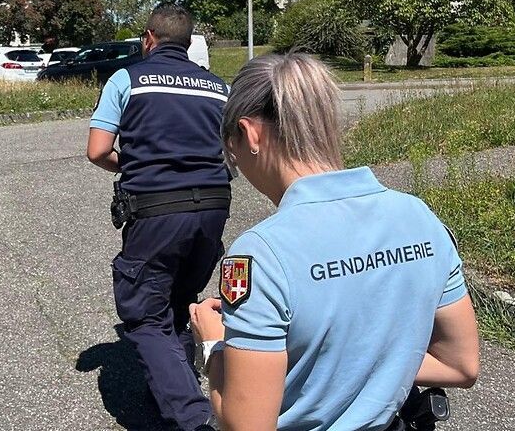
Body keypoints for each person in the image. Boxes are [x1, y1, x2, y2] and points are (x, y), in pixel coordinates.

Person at [188, 53, 479, 431]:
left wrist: (215, 347)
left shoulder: (257, 256)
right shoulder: (418, 216)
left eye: (233, 152)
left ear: (250, 134)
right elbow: (461, 364)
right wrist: (376, 362)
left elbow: (247, 426)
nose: (238, 165)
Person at [87, 3, 230, 431]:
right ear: (188, 43)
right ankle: (172, 388)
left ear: (148, 38)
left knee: (145, 315)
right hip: (213, 207)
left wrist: (132, 166)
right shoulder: (218, 87)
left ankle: (192, 418)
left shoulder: (126, 79)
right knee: (180, 301)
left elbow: (97, 150)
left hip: (156, 211)